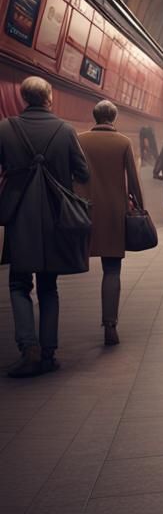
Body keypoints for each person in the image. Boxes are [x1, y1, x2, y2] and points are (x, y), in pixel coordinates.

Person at [0, 76, 90, 377]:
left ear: (23, 97)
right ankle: (49, 353)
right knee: (49, 285)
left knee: (18, 283)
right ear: (49, 97)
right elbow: (83, 173)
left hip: (19, 216)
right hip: (55, 216)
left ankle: (29, 348)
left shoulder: (5, 128)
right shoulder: (65, 130)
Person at [75, 101, 144, 347]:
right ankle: (110, 325)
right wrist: (140, 207)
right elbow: (132, 181)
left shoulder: (79, 140)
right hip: (114, 211)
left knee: (75, 258)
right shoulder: (123, 142)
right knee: (112, 270)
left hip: (85, 210)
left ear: (95, 117)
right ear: (113, 118)